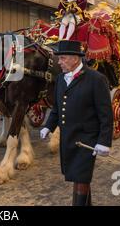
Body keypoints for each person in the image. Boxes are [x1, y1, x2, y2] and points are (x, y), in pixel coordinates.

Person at [40, 40, 113, 206]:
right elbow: (57, 108)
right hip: (68, 138)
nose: (59, 62)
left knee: (81, 177)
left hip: (87, 140)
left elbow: (106, 115)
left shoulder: (96, 79)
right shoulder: (60, 79)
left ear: (75, 59)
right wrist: (48, 126)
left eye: (63, 58)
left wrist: (104, 142)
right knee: (78, 177)